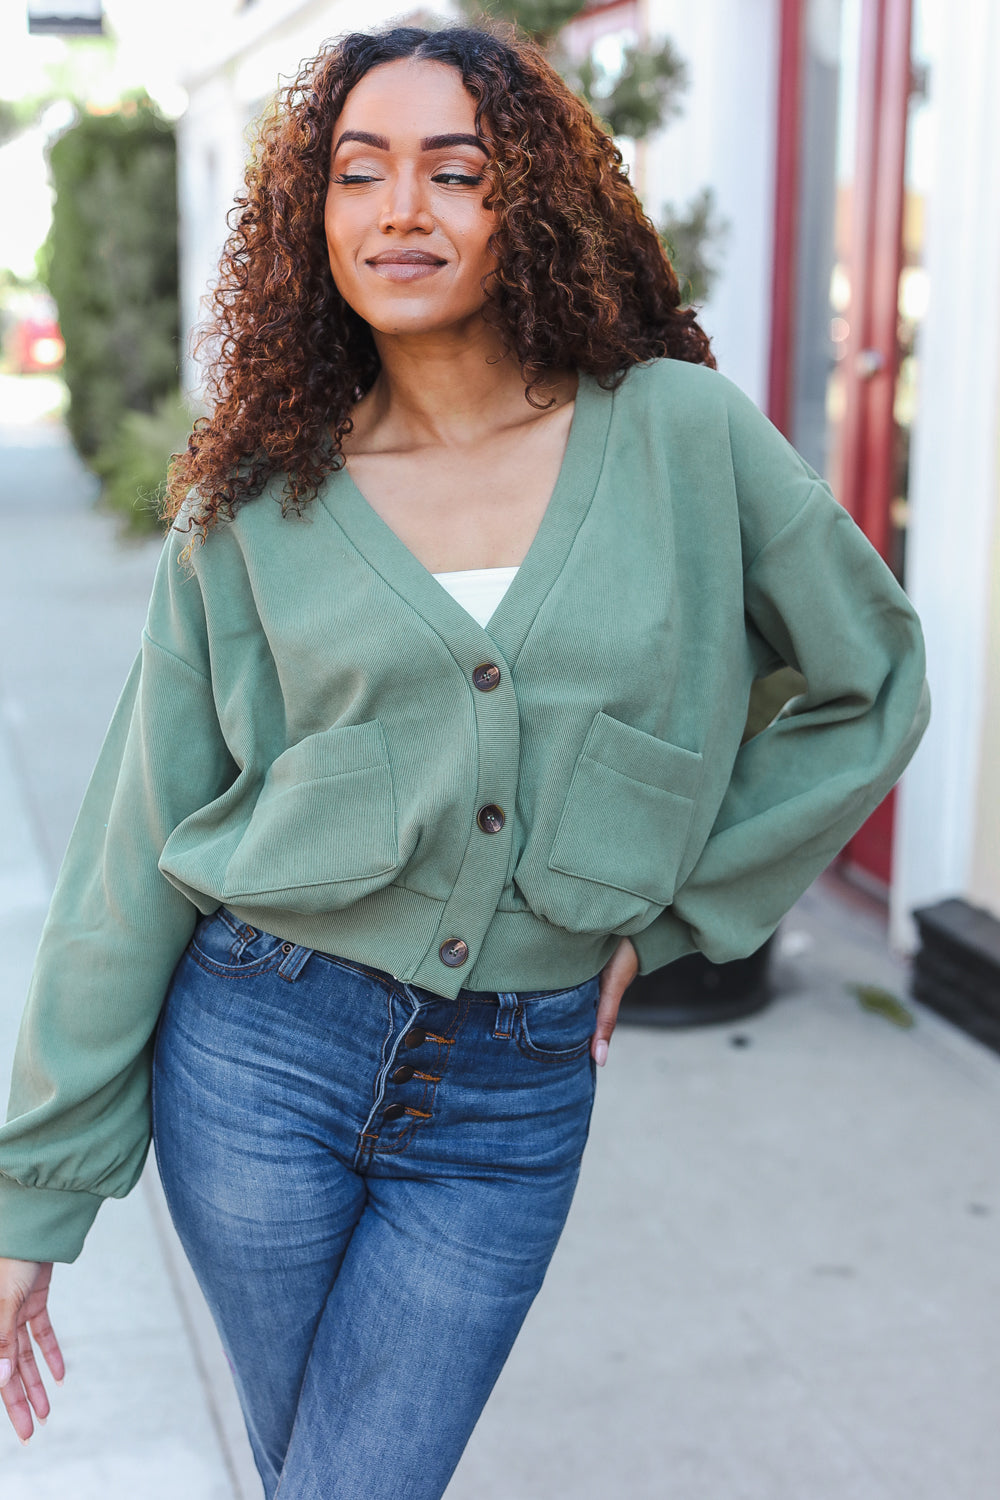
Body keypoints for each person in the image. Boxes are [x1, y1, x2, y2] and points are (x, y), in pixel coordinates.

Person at [0, 21, 929, 1497]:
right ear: (315, 220)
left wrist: (673, 914)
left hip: (513, 1084)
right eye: (358, 175)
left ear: (532, 203)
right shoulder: (256, 499)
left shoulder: (678, 435)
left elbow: (866, 681)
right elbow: (137, 841)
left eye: (456, 171)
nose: (400, 212)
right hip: (255, 1057)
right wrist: (31, 1200)